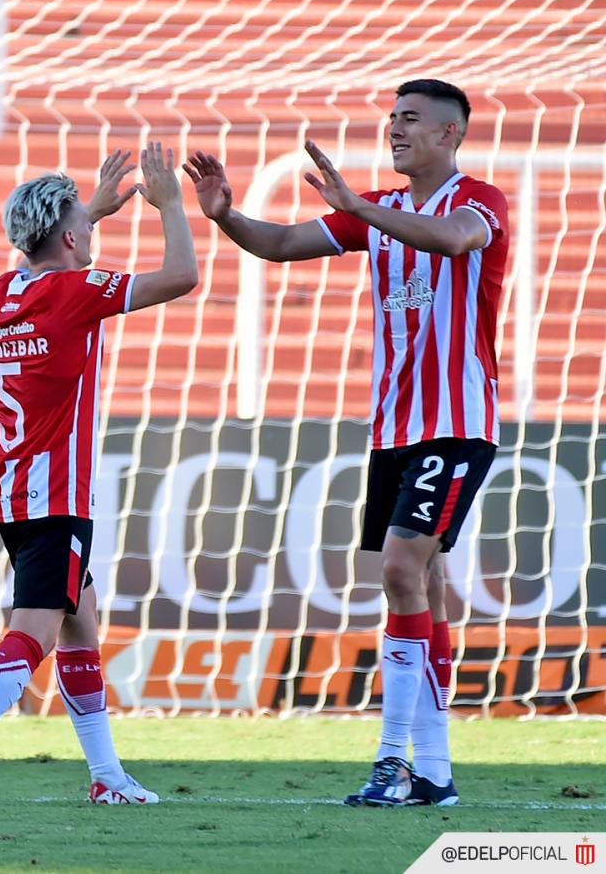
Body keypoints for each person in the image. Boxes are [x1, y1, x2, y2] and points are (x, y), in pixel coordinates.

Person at [185, 79, 508, 807]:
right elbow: (283, 243)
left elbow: (456, 240)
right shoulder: (382, 212)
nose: (394, 129)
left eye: (410, 120)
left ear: (450, 135)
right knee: (421, 586)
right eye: (390, 118)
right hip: (395, 427)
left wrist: (360, 208)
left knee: (399, 569)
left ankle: (393, 762)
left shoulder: (479, 200)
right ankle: (435, 772)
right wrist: (227, 215)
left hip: (456, 423)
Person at [0, 144, 198, 805]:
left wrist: (86, 208)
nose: (90, 230)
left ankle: (107, 777)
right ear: (69, 236)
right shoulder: (77, 293)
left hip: (11, 490)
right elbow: (181, 276)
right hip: (56, 495)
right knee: (36, 631)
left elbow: (48, 250)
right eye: (84, 223)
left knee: (80, 624)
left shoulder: (0, 292)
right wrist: (171, 205)